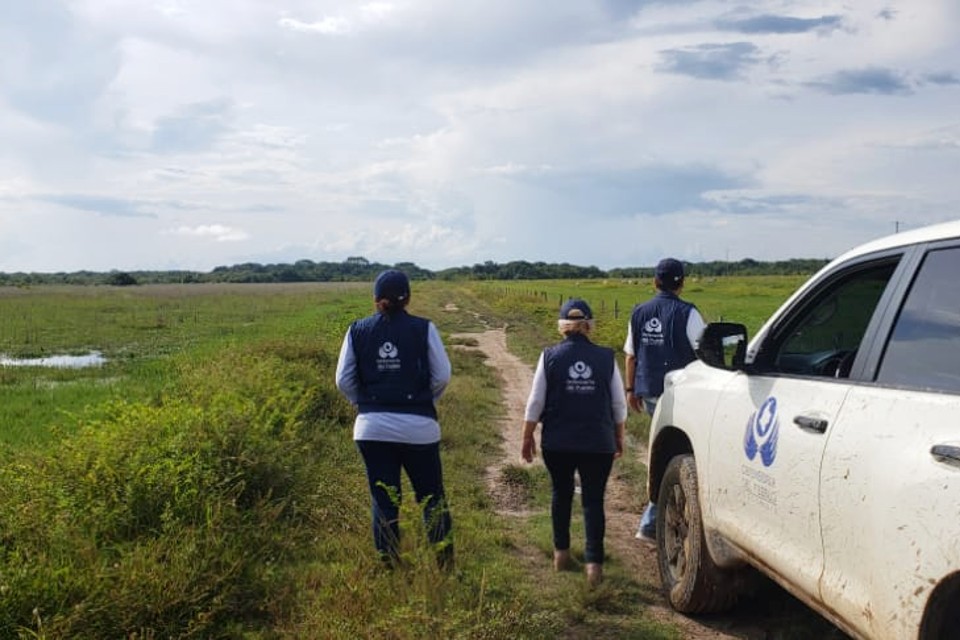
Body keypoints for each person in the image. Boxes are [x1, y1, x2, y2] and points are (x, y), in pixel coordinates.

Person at [335, 269, 454, 568]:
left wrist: (363, 403)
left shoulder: (357, 330)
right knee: (432, 497)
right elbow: (442, 375)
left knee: (384, 500)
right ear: (408, 298)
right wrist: (425, 400)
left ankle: (389, 567)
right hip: (420, 428)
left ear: (376, 299)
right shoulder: (424, 328)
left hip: (371, 428)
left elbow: (342, 380)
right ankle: (444, 565)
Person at [521, 298, 627, 586]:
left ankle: (561, 555)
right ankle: (594, 566)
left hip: (557, 442)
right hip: (598, 442)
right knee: (593, 500)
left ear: (562, 327)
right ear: (589, 326)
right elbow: (619, 404)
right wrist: (618, 436)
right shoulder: (606, 357)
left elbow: (535, 401)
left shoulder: (549, 356)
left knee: (561, 493)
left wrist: (527, 436)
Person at [624, 258, 705, 544]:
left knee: (666, 450)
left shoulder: (639, 312)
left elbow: (631, 355)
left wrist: (631, 389)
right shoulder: (689, 314)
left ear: (655, 281)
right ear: (681, 283)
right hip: (680, 395)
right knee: (675, 453)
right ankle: (654, 522)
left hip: (648, 391)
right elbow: (706, 352)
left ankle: (660, 517)